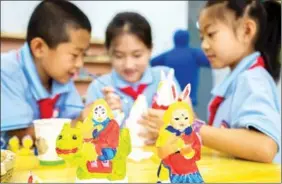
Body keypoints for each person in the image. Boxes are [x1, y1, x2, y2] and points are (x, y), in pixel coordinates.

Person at [161, 0, 281, 163]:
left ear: (247, 30)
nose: (204, 45)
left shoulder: (252, 79)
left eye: (211, 34)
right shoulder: (238, 80)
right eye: (202, 37)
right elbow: (228, 139)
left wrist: (188, 127)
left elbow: (264, 147)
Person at [1, 0, 92, 148]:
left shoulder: (61, 75)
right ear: (39, 48)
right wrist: (78, 123)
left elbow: (76, 116)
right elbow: (21, 137)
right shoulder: (6, 71)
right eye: (75, 55)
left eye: (84, 55)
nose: (80, 64)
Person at [86, 12, 181, 144]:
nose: (129, 65)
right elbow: (87, 137)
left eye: (137, 55)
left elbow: (187, 124)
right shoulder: (99, 87)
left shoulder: (165, 78)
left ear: (150, 49)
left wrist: (168, 130)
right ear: (108, 51)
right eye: (119, 56)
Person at [151, 29, 210, 106]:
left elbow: (151, 63)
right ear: (187, 38)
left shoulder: (167, 55)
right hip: (188, 96)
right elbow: (210, 61)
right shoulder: (194, 54)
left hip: (170, 97)